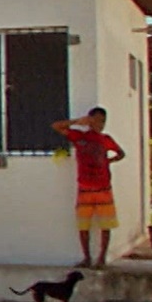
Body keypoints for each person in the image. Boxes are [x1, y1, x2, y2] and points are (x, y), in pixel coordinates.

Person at [53, 107, 125, 269]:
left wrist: (109, 162)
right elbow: (56, 126)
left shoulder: (106, 139)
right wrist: (77, 121)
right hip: (85, 188)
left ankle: (102, 258)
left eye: (103, 121)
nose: (100, 124)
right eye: (97, 120)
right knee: (83, 225)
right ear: (89, 120)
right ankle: (87, 258)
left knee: (105, 225)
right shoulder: (79, 136)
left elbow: (120, 153)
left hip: (103, 189)